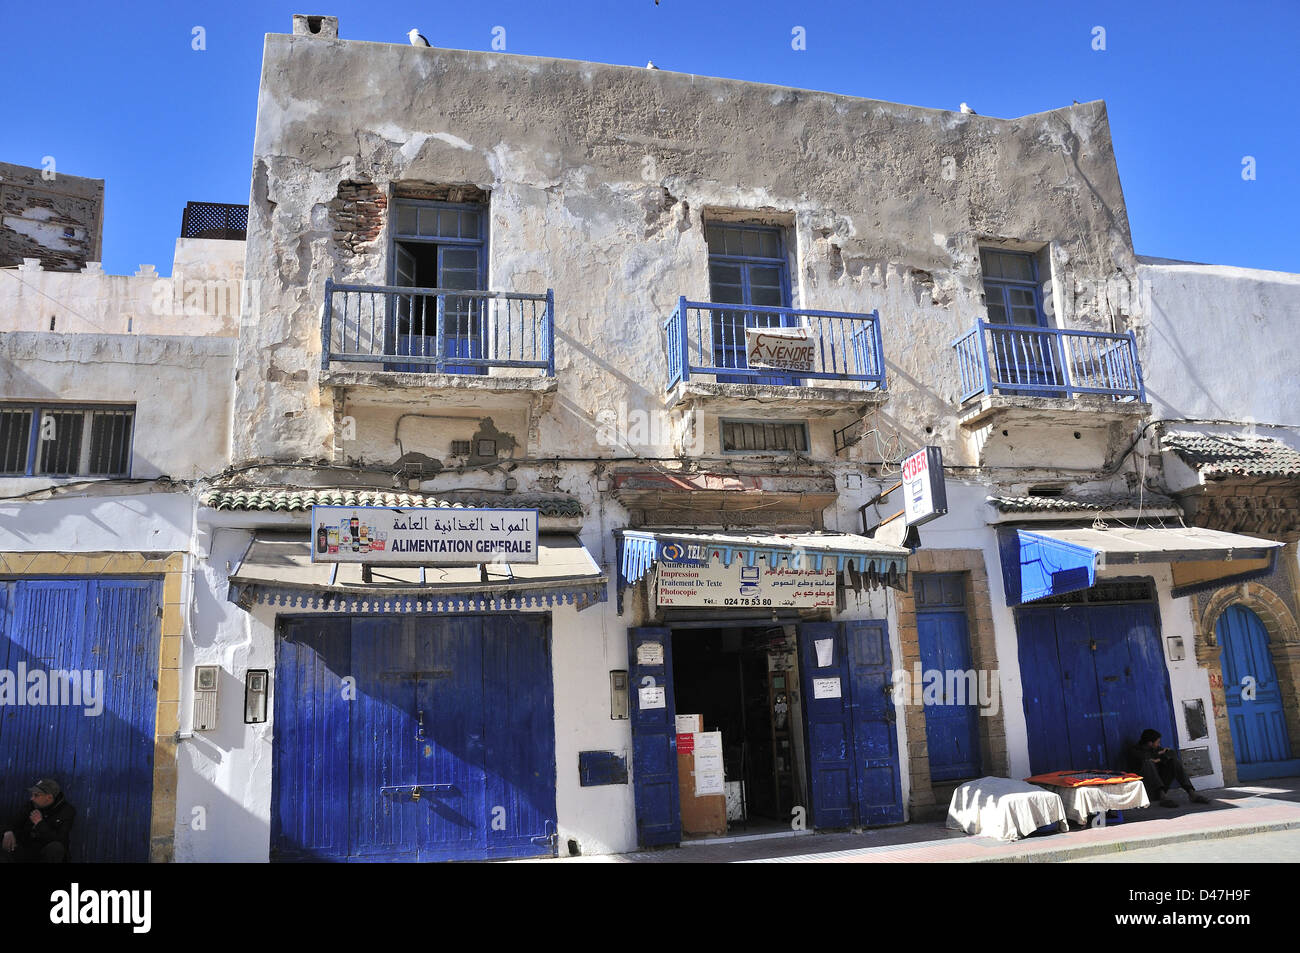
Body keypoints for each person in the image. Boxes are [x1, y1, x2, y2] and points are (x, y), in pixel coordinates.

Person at [1127, 730, 1210, 808]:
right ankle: (1162, 797)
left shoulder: (1155, 749)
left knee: (1174, 762)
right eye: (1157, 742)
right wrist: (1157, 755)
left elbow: (1171, 753)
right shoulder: (1135, 750)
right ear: (1150, 743)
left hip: (1161, 786)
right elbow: (1145, 757)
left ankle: (1192, 793)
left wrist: (1159, 759)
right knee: (1148, 763)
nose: (1159, 744)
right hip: (1147, 789)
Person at [1, 779, 75, 863]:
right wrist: (8, 831)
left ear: (49, 797)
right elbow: (13, 821)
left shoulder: (66, 811)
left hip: (44, 853)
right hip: (26, 850)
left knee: (56, 848)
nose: (32, 798)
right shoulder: (31, 805)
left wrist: (39, 823)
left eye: (36, 795)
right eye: (32, 795)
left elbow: (60, 839)